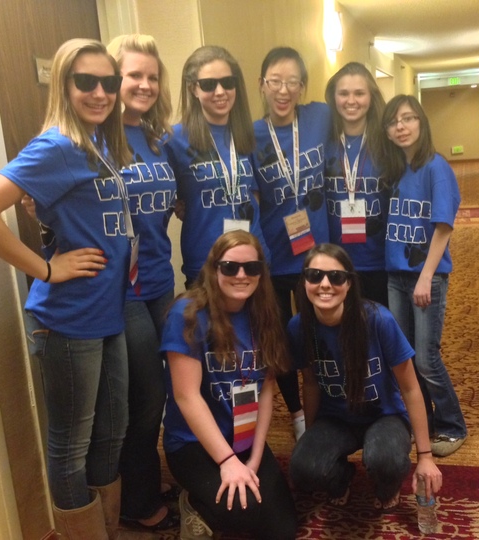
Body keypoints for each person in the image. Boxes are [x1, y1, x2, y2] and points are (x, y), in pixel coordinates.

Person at [0, 38, 133, 538]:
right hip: (68, 319)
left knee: (111, 434)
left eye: (109, 82)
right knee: (71, 446)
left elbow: (78, 214)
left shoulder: (95, 142)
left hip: (107, 312)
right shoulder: (56, 146)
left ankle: (109, 528)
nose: (100, 93)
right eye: (86, 82)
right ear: (64, 84)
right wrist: (47, 269)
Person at [161, 230, 297, 540]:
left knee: (282, 529)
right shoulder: (188, 314)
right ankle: (192, 504)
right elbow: (186, 396)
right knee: (242, 511)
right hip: (193, 443)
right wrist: (228, 462)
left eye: (251, 268)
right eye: (230, 267)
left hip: (245, 437)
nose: (241, 275)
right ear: (213, 269)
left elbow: (265, 389)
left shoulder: (264, 314)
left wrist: (256, 456)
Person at [288, 243, 442, 510]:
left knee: (387, 461)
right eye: (315, 276)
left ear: (348, 283)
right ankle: (342, 477)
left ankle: (386, 488)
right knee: (303, 468)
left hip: (385, 416)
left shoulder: (378, 320)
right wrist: (313, 442)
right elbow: (311, 384)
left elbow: (410, 389)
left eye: (335, 277)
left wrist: (426, 455)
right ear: (304, 283)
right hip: (335, 418)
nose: (325, 284)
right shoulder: (299, 326)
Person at [105, 34, 180, 532]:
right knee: (147, 397)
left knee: (170, 386)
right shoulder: (93, 138)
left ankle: (150, 483)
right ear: (114, 78)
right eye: (134, 75)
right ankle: (135, 502)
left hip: (160, 281)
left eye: (152, 77)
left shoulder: (158, 139)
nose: (144, 85)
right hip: (121, 292)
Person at [380, 94, 468, 457]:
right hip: (395, 274)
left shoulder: (436, 167)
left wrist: (425, 276)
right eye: (394, 121)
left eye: (409, 118)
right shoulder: (397, 168)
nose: (401, 126)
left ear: (422, 123)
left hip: (424, 276)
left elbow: (444, 226)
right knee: (404, 356)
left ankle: (452, 426)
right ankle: (424, 423)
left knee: (426, 358)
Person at [252, 46, 331, 439]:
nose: (283, 91)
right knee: (279, 342)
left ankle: (323, 411)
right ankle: (298, 415)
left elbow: (363, 113)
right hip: (273, 258)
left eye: (292, 82)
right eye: (275, 81)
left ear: (303, 87)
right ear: (261, 85)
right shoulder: (248, 134)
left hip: (317, 258)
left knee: (318, 338)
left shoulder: (320, 117)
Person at [167, 45, 268, 286]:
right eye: (209, 84)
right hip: (206, 264)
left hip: (253, 260)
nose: (220, 91)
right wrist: (179, 205)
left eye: (227, 82)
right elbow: (158, 189)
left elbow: (253, 194)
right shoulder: (175, 139)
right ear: (194, 88)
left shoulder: (246, 134)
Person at [324, 62, 390, 306]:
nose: (351, 101)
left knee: (376, 329)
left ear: (371, 97)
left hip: (378, 260)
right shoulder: (323, 140)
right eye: (344, 93)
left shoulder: (386, 143)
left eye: (359, 93)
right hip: (334, 261)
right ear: (334, 97)